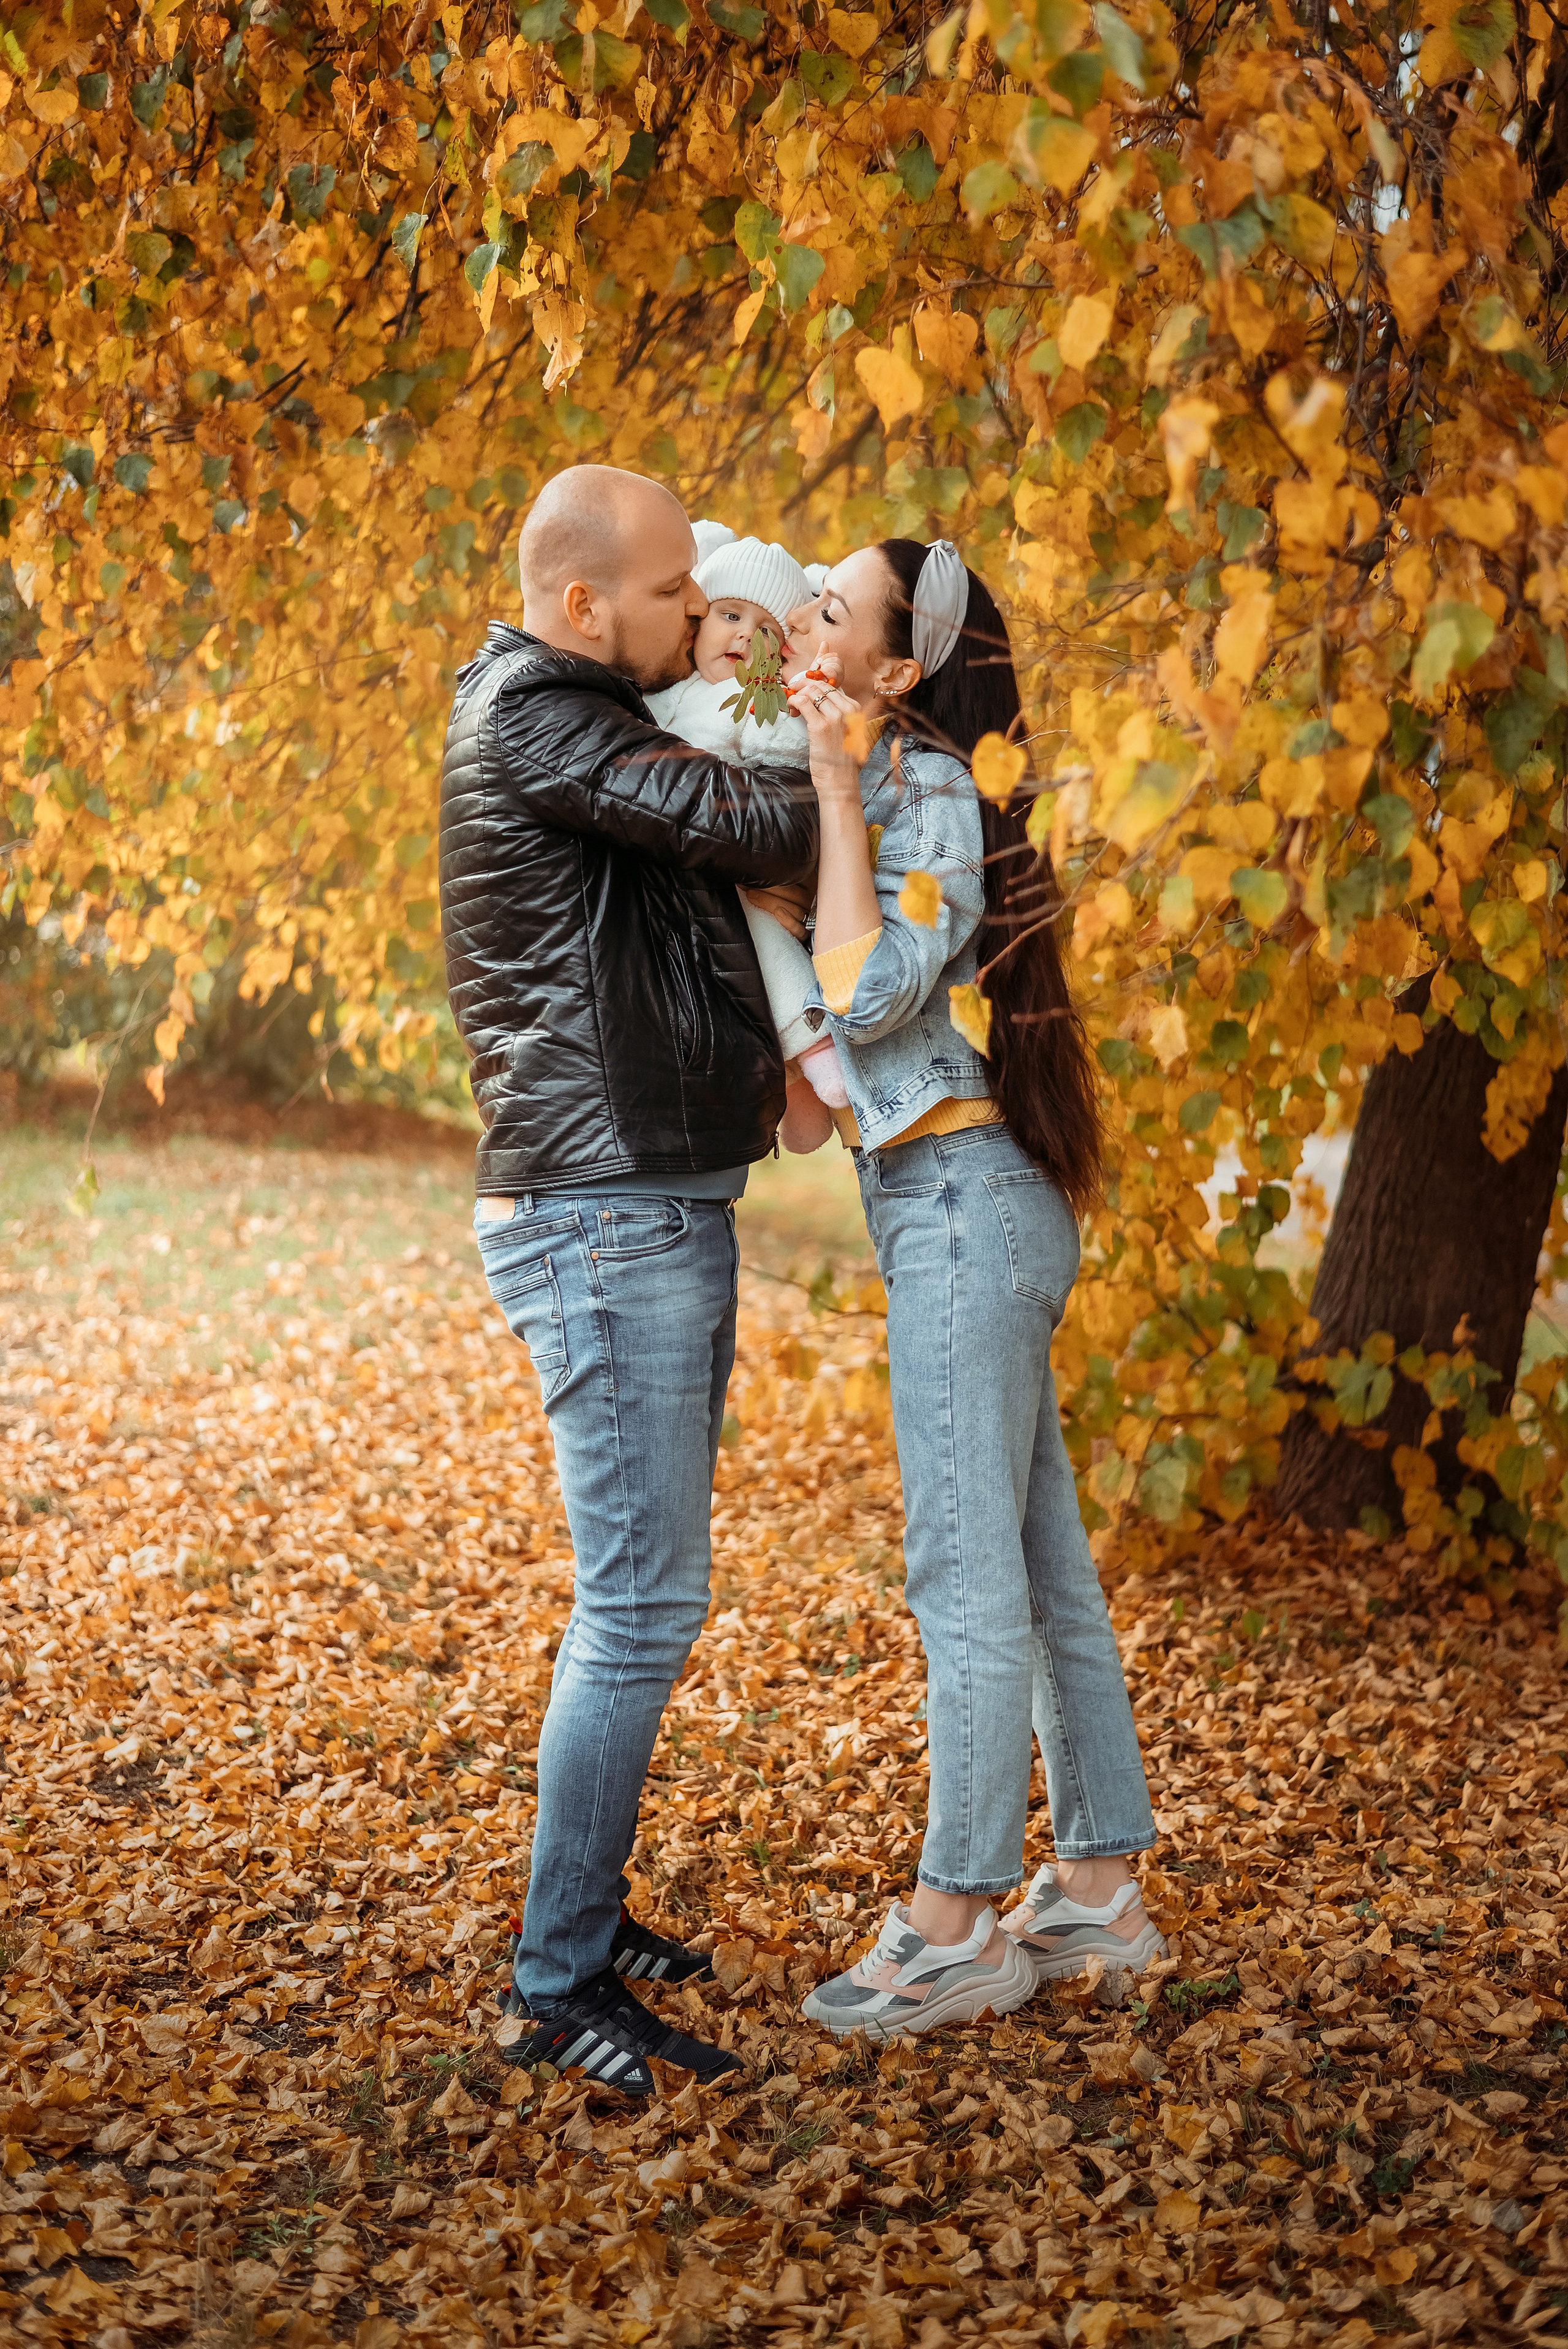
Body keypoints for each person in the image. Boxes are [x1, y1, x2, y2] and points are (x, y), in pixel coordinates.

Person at [439, 464, 817, 2096]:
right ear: (585, 604)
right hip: (605, 1215)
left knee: (644, 1596)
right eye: (673, 590)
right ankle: (558, 1984)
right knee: (641, 1600)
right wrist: (848, 732)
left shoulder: (578, 709)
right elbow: (750, 816)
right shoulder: (543, 714)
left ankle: (582, 1918)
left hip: (643, 1199)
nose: (696, 612)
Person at [781, 540, 1163, 2043]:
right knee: (1038, 1562)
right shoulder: (889, 779)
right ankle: (1096, 1883)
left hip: (960, 1207)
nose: (802, 615)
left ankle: (954, 1916)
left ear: (895, 671)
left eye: (831, 609)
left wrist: (825, 786)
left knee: (961, 1571)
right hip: (955, 1203)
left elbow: (868, 991)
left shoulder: (917, 782)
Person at [644, 524, 849, 1125]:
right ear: (697, 621)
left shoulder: (761, 705)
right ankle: (789, 1078)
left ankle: (809, 1042)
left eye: (766, 632)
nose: (743, 636)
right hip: (685, 876)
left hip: (737, 868)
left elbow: (787, 769)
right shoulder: (661, 694)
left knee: (760, 937)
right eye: (728, 614)